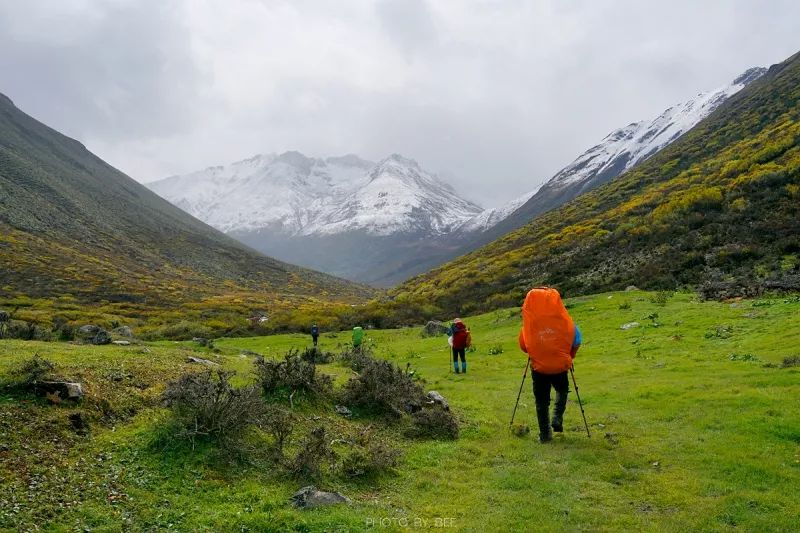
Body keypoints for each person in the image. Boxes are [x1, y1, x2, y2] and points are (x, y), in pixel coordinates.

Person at [518, 287, 582, 443]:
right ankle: (557, 417)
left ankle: (545, 435)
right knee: (562, 390)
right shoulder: (567, 323)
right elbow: (577, 340)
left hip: (539, 369)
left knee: (541, 401)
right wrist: (569, 356)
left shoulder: (530, 326)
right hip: (560, 367)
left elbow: (523, 346)